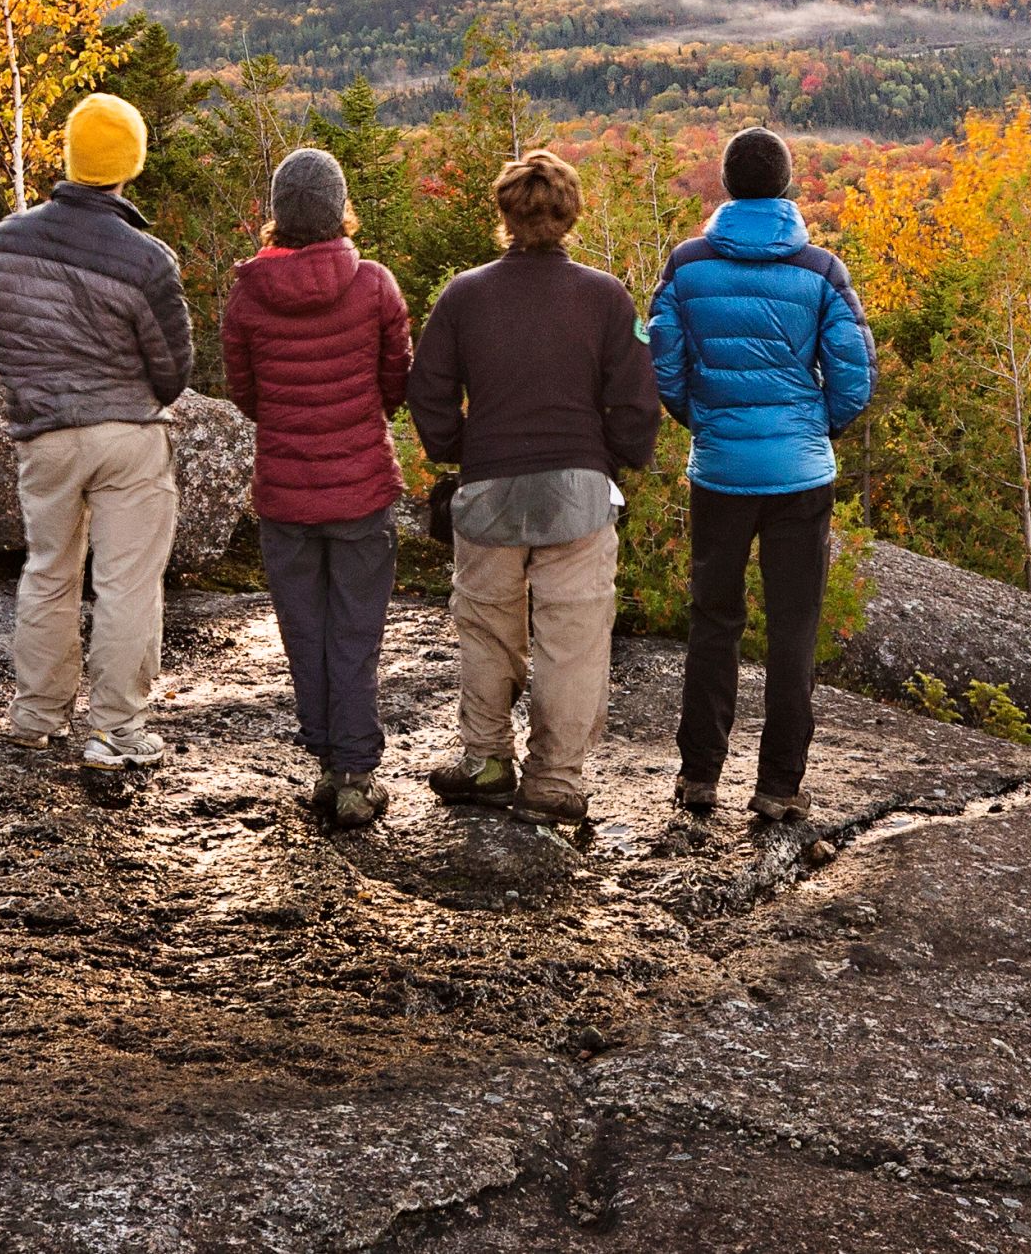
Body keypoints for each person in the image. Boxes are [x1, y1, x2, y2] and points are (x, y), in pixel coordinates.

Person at [406, 148, 657, 830]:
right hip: (579, 489)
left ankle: (487, 761)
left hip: (487, 488)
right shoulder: (606, 296)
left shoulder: (464, 295)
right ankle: (554, 779)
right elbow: (637, 400)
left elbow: (426, 388)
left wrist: (458, 448)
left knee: (487, 630)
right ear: (571, 215)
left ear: (505, 214)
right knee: (572, 640)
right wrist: (616, 459)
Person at [650, 125, 876, 824]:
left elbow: (665, 359)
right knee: (793, 629)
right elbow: (853, 373)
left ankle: (698, 778)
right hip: (799, 474)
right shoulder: (820, 269)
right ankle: (778, 788)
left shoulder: (686, 265)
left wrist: (705, 420)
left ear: (727, 184)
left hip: (719, 470)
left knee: (713, 620)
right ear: (784, 185)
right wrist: (819, 428)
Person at [0, 92, 194, 771]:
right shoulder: (147, 259)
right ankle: (115, 731)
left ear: (70, 155)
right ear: (130, 161)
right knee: (127, 584)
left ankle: (36, 716)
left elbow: (9, 341)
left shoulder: (7, 242)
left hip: (42, 434)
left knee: (48, 573)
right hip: (127, 435)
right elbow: (173, 372)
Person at [221, 145, 413, 830]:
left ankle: (329, 765)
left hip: (285, 493)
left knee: (304, 632)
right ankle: (357, 774)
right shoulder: (375, 285)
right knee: (355, 633)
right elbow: (397, 384)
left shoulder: (248, 294)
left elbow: (246, 395)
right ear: (338, 210)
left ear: (278, 214)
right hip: (362, 488)